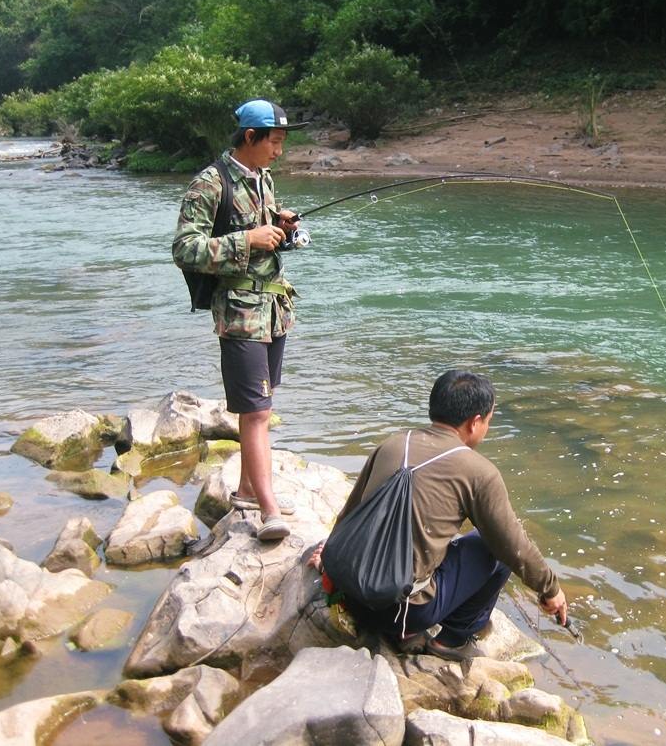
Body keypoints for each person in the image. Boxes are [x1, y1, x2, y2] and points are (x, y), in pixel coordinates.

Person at [316, 369, 567, 660]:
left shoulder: (393, 443)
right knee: (494, 549)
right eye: (488, 421)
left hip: (348, 593)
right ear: (474, 423)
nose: (486, 427)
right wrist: (550, 589)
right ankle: (453, 638)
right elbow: (514, 546)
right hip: (401, 612)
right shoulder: (478, 472)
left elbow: (349, 513)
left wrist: (326, 560)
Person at [172, 99, 308, 541]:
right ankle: (269, 510)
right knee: (256, 412)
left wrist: (281, 223)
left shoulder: (262, 179)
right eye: (274, 141)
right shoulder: (209, 184)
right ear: (250, 137)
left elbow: (265, 222)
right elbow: (184, 249)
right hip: (239, 316)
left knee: (261, 412)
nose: (279, 151)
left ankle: (249, 489)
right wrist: (246, 239)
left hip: (274, 311)